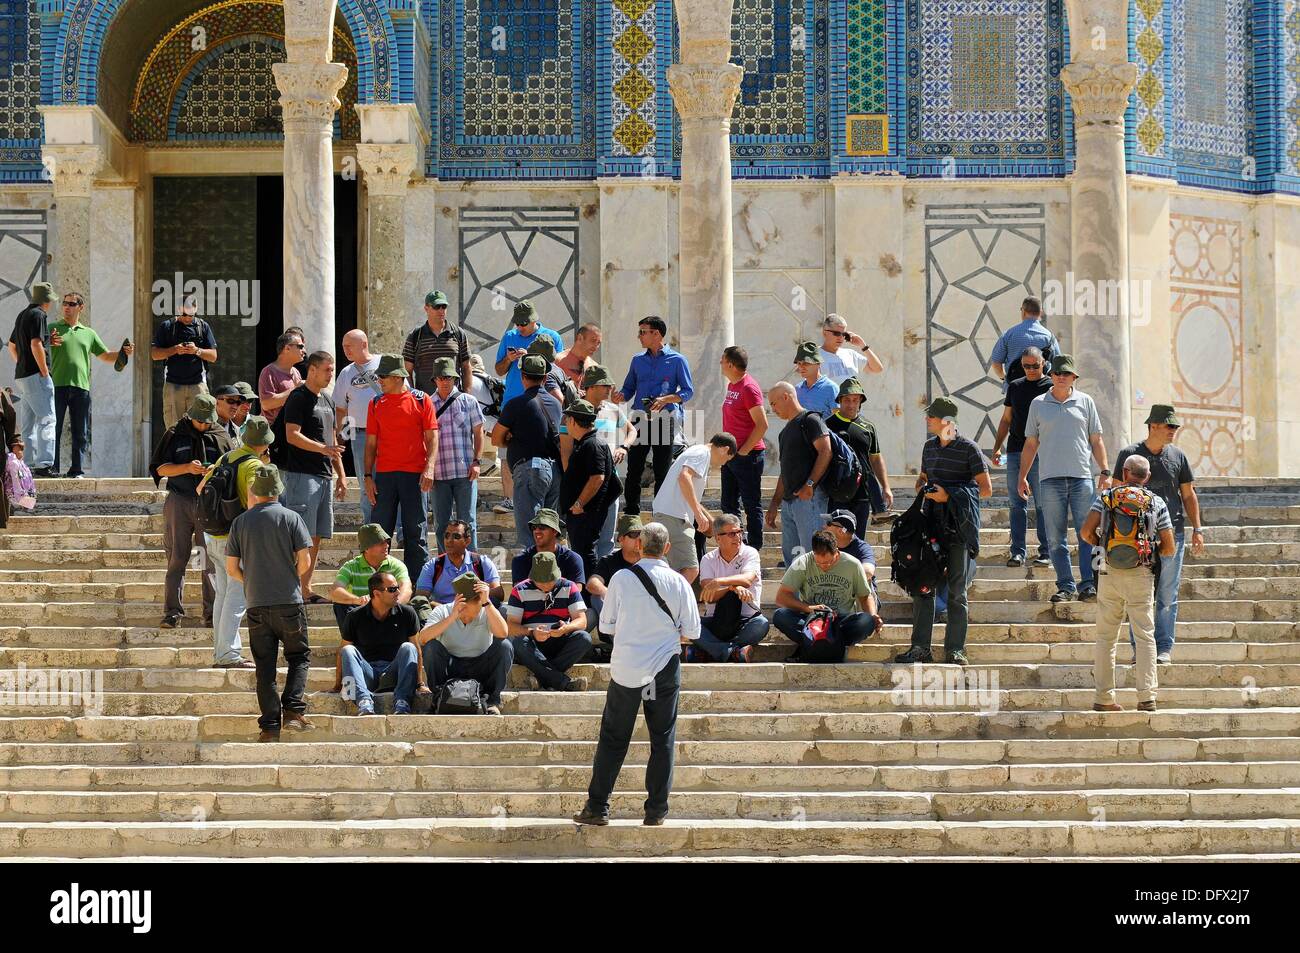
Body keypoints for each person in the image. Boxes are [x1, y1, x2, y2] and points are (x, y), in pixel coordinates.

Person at [573, 522, 699, 827]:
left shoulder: (620, 578)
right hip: (663, 668)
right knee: (662, 737)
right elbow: (692, 631)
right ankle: (656, 810)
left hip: (628, 668)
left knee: (613, 738)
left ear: (639, 546)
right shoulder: (679, 582)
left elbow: (606, 627)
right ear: (667, 548)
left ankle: (597, 807)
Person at [894, 398, 993, 666]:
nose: (928, 419)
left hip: (958, 528)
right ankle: (920, 648)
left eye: (933, 416)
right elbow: (926, 476)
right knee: (923, 586)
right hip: (930, 526)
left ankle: (955, 650)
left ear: (947, 421)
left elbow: (985, 489)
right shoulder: (929, 447)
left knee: (957, 591)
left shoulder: (969, 449)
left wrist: (949, 495)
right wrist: (921, 482)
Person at [224, 464, 315, 742]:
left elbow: (231, 568)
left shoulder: (241, 522)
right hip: (288, 601)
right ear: (278, 490)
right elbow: (305, 562)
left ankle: (269, 728)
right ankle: (293, 710)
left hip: (256, 604)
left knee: (265, 667)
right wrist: (288, 577)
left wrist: (252, 581)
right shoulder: (291, 518)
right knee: (298, 657)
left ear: (255, 492)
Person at [1081, 455, 1176, 712]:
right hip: (1141, 575)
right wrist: (1149, 550)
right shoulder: (1155, 502)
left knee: (1105, 638)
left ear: (1124, 472)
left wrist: (1106, 548)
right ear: (1146, 477)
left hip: (1108, 572)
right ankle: (1147, 697)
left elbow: (1085, 532)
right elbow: (1169, 548)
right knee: (1145, 636)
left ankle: (1103, 698)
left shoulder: (1106, 498)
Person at [1017, 354, 1111, 603]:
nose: (1061, 377)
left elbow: (1096, 440)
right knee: (1055, 538)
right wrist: (1022, 476)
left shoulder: (1086, 401)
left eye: (1066, 374)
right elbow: (1030, 443)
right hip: (1049, 479)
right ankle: (1065, 586)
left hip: (1082, 478)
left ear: (1073, 377)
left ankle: (1089, 584)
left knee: (1089, 534)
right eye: (1057, 373)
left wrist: (1105, 470)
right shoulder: (1038, 404)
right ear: (1051, 375)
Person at [1116, 405, 1205, 664]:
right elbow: (1116, 494)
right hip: (1135, 537)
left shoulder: (1178, 456)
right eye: (1169, 426)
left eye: (1175, 426)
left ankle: (1164, 648)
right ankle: (1140, 649)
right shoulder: (1129, 455)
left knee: (1167, 595)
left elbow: (1188, 495)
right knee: (1139, 595)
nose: (1174, 430)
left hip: (1171, 534)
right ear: (1153, 425)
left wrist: (1197, 529)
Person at [148, 393, 233, 629]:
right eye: (201, 421)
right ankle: (173, 612)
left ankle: (212, 613)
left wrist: (212, 473)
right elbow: (160, 468)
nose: (205, 425)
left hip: (209, 505)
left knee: (210, 560)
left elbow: (231, 469)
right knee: (178, 557)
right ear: (192, 415)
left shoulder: (220, 434)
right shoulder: (175, 434)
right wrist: (186, 467)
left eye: (208, 421)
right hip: (179, 502)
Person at [198, 415, 274, 669]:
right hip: (237, 539)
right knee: (237, 598)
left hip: (215, 536)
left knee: (223, 595)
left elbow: (200, 489)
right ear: (264, 444)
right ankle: (228, 654)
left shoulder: (226, 457)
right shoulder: (253, 465)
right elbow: (255, 502)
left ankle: (221, 652)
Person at [280, 350, 348, 601]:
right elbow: (291, 435)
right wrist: (323, 449)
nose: (331, 374)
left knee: (317, 535)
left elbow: (332, 439)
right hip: (301, 475)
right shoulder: (298, 397)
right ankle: (291, 589)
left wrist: (340, 474)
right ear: (313, 369)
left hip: (324, 475)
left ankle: (305, 588)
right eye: (328, 370)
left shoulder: (328, 400)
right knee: (300, 535)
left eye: (332, 369)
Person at [366, 353, 439, 583]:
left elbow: (432, 436)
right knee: (378, 532)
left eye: (384, 376)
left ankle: (417, 588)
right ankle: (377, 583)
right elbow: (370, 444)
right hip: (385, 476)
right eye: (379, 376)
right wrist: (368, 476)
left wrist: (430, 467)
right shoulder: (376, 403)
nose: (380, 380)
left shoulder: (421, 400)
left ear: (398, 377)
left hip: (414, 475)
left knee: (415, 533)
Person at [614, 315, 694, 515]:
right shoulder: (637, 360)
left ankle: (661, 512)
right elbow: (628, 388)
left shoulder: (677, 360)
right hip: (640, 419)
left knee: (662, 470)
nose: (639, 336)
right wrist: (620, 396)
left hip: (663, 420)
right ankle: (631, 513)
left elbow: (687, 391)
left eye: (643, 332)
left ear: (656, 334)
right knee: (634, 470)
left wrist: (666, 399)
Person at [48, 292, 133, 478]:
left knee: (81, 431)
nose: (67, 307)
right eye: (64, 303)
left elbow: (105, 356)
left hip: (81, 388)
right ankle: (52, 468)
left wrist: (122, 353)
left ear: (81, 307)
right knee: (54, 429)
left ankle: (77, 470)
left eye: (71, 304)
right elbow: (36, 346)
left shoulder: (89, 333)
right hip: (57, 386)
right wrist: (47, 341)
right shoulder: (52, 328)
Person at [773, 530, 880, 663]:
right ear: (813, 553)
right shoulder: (803, 562)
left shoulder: (853, 564)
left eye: (829, 562)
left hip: (840, 622)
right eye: (820, 563)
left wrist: (873, 615)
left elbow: (865, 596)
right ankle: (829, 645)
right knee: (780, 615)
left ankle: (818, 644)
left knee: (866, 621)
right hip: (811, 621)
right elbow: (781, 597)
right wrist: (808, 608)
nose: (825, 567)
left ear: (836, 551)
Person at [415, 573, 513, 715]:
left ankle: (492, 701)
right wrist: (452, 617)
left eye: (472, 614)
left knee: (505, 646)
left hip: (480, 667)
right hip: (451, 668)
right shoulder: (443, 610)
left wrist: (488, 603)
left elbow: (503, 633)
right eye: (463, 612)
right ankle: (439, 698)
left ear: (480, 602)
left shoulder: (487, 609)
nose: (467, 618)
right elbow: (422, 639)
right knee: (431, 647)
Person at [991, 345, 1053, 567]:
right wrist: (997, 446)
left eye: (1035, 366)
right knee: (1017, 504)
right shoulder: (1015, 387)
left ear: (1043, 363)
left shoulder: (1051, 387)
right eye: (1026, 366)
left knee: (1043, 504)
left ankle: (1045, 551)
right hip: (1016, 449)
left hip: (1042, 451)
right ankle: (1018, 551)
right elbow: (1006, 419)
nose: (1031, 370)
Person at [493, 353, 562, 547]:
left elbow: (497, 438)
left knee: (530, 534)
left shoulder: (515, 405)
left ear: (523, 376)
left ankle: (532, 575)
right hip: (554, 472)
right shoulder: (556, 404)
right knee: (549, 534)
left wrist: (512, 440)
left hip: (530, 470)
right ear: (545, 378)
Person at [650, 433, 737, 583]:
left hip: (669, 514)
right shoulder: (702, 453)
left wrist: (702, 514)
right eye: (726, 459)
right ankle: (669, 603)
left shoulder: (696, 452)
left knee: (668, 569)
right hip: (675, 516)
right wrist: (697, 513)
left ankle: (663, 602)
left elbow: (687, 487)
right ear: (724, 449)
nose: (723, 464)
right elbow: (684, 477)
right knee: (690, 568)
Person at [338, 570, 422, 715]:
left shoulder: (407, 613)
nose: (398, 592)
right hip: (366, 673)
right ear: (376, 594)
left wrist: (421, 684)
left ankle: (403, 701)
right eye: (392, 589)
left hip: (393, 673)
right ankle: (364, 701)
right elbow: (342, 652)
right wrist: (337, 684)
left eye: (398, 588)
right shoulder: (355, 616)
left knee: (409, 647)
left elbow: (417, 650)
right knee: (347, 650)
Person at [765, 381, 832, 566]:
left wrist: (810, 484)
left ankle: (816, 594)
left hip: (809, 499)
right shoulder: (785, 432)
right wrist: (774, 503)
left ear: (786, 397)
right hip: (789, 502)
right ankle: (792, 595)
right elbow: (785, 470)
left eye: (773, 403)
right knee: (793, 559)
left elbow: (826, 451)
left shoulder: (810, 420)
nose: (772, 409)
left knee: (813, 553)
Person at [506, 551, 591, 691]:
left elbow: (582, 621)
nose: (546, 585)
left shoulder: (569, 586)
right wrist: (532, 632)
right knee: (519, 643)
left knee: (584, 638)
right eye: (541, 581)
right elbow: (511, 626)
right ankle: (563, 683)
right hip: (532, 643)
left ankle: (543, 678)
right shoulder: (519, 590)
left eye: (549, 580)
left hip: (559, 640)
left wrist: (566, 628)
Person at [692, 513, 769, 663]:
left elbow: (747, 580)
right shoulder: (708, 559)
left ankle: (711, 651)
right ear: (718, 537)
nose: (738, 537)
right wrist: (732, 588)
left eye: (739, 532)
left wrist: (720, 582)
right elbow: (709, 595)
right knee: (688, 623)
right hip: (716, 621)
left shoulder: (750, 553)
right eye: (732, 533)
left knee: (762, 624)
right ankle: (732, 652)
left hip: (746, 620)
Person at [576, 363, 634, 559]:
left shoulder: (613, 409)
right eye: (605, 385)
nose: (610, 389)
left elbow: (632, 431)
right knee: (583, 535)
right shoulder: (574, 410)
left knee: (607, 537)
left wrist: (623, 447)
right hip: (584, 481)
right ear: (591, 387)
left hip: (610, 480)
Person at [429, 356, 484, 550]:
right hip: (438, 473)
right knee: (440, 524)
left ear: (455, 379)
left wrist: (477, 461)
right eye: (441, 377)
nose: (444, 381)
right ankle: (444, 565)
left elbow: (479, 433)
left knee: (468, 522)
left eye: (448, 377)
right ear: (435, 379)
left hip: (465, 472)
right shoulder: (427, 403)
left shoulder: (469, 401)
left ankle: (471, 565)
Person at [561, 399, 619, 583]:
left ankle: (590, 593)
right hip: (582, 514)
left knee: (585, 554)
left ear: (573, 421)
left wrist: (580, 503)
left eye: (567, 419)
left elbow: (597, 477)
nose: (565, 423)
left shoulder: (592, 444)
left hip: (586, 514)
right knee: (581, 552)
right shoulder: (587, 443)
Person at [825, 377, 893, 534]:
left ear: (860, 401)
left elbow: (875, 458)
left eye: (855, 400)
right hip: (837, 492)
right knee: (836, 538)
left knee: (857, 538)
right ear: (840, 401)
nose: (851, 404)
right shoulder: (828, 425)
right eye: (847, 400)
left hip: (862, 492)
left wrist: (886, 487)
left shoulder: (868, 427)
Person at [719, 346, 769, 549]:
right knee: (728, 504)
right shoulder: (733, 385)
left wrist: (743, 452)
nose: (720, 363)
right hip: (730, 456)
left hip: (748, 456)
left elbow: (762, 424)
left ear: (731, 364)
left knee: (751, 503)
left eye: (722, 360)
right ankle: (735, 543)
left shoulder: (748, 388)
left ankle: (755, 546)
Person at [5, 282, 56, 475]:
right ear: (47, 300)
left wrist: (22, 363)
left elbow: (11, 345)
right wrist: (43, 371)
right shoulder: (39, 314)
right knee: (47, 419)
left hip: (22, 376)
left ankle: (27, 464)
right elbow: (36, 344)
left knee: (28, 423)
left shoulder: (22, 315)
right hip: (36, 376)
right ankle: (44, 465)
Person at [333, 328, 382, 525]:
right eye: (343, 347)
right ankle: (371, 529)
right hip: (361, 434)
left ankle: (398, 529)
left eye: (349, 346)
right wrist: (341, 434)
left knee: (395, 482)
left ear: (364, 344)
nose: (345, 350)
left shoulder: (383, 363)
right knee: (366, 484)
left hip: (390, 433)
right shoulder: (346, 373)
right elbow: (340, 408)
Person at [328, 522, 412, 630]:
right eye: (380, 543)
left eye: (387, 541)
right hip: (362, 615)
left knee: (410, 606)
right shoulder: (351, 566)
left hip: (389, 614)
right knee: (340, 605)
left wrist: (391, 606)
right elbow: (335, 591)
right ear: (366, 548)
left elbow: (407, 589)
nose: (386, 545)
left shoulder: (396, 565)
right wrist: (358, 600)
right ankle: (352, 641)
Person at [150, 296, 218, 430]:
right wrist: (175, 349)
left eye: (191, 314)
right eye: (185, 314)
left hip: (197, 385)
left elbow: (213, 356)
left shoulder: (202, 326)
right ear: (178, 309)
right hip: (173, 384)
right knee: (174, 429)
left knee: (201, 428)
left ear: (196, 309)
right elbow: (154, 355)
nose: (188, 318)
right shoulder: (168, 326)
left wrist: (196, 350)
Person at [583, 514, 643, 656]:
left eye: (642, 534)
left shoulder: (650, 560)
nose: (639, 539)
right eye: (634, 534)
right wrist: (613, 595)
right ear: (620, 539)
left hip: (642, 616)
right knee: (596, 598)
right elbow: (592, 584)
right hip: (617, 617)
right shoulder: (609, 561)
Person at [415, 519, 504, 605]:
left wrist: (483, 590)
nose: (449, 540)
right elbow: (421, 598)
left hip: (475, 612)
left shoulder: (482, 563)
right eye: (447, 535)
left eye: (456, 536)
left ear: (467, 541)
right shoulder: (433, 566)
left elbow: (499, 593)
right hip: (443, 614)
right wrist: (448, 610)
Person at [494, 299, 564, 410]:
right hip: (511, 403)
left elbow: (559, 370)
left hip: (542, 404)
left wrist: (531, 358)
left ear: (533, 320)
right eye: (517, 324)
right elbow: (499, 371)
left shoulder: (552, 336)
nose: (520, 327)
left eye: (523, 323)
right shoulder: (509, 336)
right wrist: (508, 359)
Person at [404, 290, 473, 395]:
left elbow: (466, 367)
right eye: (436, 307)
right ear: (426, 308)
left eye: (444, 306)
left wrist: (467, 394)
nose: (441, 310)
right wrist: (412, 396)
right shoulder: (415, 336)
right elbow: (407, 370)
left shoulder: (458, 333)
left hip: (453, 401)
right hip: (425, 401)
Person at [990, 295, 1059, 386]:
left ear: (1023, 311)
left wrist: (1005, 378)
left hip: (1015, 389)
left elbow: (996, 363)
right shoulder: (1049, 337)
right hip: (1041, 390)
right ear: (1040, 313)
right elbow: (1058, 363)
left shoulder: (1009, 334)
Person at [510, 508, 586, 587]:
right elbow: (519, 592)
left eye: (542, 527)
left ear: (555, 531)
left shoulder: (572, 559)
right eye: (534, 527)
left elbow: (576, 591)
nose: (537, 531)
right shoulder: (521, 559)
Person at [818, 312, 884, 385]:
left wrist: (863, 345)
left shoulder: (851, 354)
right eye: (836, 333)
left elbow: (877, 369)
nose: (840, 337)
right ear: (824, 333)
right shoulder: (815, 355)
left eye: (844, 334)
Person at [257, 330, 305, 425]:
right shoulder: (268, 371)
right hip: (273, 431)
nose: (304, 351)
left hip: (291, 429)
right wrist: (296, 389)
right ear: (287, 348)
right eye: (300, 346)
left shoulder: (296, 372)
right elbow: (266, 404)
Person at [821, 510, 876, 576]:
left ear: (840, 531)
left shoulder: (862, 548)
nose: (824, 526)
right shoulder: (824, 545)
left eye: (828, 523)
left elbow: (868, 572)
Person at [792, 341, 838, 418]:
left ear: (818, 363)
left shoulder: (831, 388)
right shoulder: (797, 389)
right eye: (799, 363)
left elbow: (839, 422)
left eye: (806, 363)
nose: (801, 367)